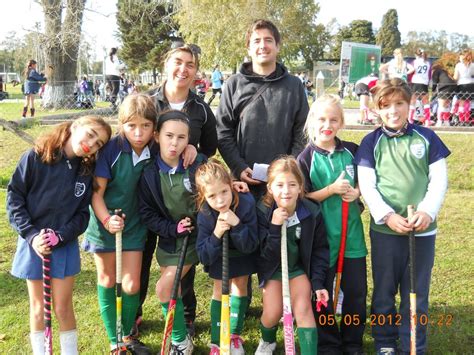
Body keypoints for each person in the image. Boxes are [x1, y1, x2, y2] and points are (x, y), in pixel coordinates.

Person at [354, 78, 450, 355]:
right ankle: (385, 341)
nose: (393, 111)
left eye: (399, 104)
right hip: (386, 232)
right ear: (377, 109)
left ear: (410, 104)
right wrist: (386, 216)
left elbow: (438, 181)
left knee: (416, 291)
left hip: (422, 231)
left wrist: (427, 211)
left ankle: (414, 343)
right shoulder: (371, 142)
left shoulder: (427, 137)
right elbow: (368, 186)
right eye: (386, 106)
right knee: (384, 289)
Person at [7, 116, 112, 355]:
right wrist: (33, 236)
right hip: (33, 243)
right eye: (90, 134)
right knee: (38, 307)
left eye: (98, 144)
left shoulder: (85, 171)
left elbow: (82, 216)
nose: (91, 144)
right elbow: (14, 199)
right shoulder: (36, 156)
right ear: (75, 127)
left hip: (63, 245)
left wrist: (61, 236)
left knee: (62, 307)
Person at [139, 44, 218, 339]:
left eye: (190, 65)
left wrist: (195, 148)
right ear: (166, 64)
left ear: (196, 71)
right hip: (149, 186)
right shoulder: (148, 101)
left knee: (183, 256)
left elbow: (209, 148)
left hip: (182, 191)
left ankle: (185, 318)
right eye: (178, 62)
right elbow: (133, 131)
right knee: (147, 253)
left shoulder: (201, 109)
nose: (183, 69)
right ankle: (135, 315)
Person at [83, 94, 156, 355]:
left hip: (135, 225)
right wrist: (106, 219)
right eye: (131, 126)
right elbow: (96, 194)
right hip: (105, 224)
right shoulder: (111, 150)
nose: (138, 133)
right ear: (121, 124)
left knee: (131, 284)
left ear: (153, 127)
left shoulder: (155, 148)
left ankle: (127, 334)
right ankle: (115, 340)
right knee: (107, 278)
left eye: (145, 126)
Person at [297, 95, 368, 354]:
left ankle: (352, 342)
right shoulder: (304, 158)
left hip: (352, 237)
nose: (327, 124)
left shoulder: (352, 150)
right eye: (322, 119)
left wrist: (357, 192)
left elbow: (368, 181)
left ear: (341, 123)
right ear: (312, 122)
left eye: (334, 119)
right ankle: (329, 342)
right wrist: (331, 189)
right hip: (323, 241)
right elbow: (302, 196)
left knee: (356, 293)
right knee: (322, 294)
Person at [137, 110, 206, 355]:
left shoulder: (196, 165)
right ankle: (181, 333)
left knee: (164, 289)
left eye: (181, 137)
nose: (174, 143)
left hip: (193, 239)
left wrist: (197, 223)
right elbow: (147, 213)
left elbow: (215, 194)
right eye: (169, 136)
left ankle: (180, 342)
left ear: (189, 140)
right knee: (172, 290)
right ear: (156, 136)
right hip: (169, 241)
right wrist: (171, 228)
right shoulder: (148, 173)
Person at [216, 19, 309, 200]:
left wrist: (288, 169)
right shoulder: (233, 84)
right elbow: (223, 131)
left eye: (268, 40)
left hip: (283, 186)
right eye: (256, 41)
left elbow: (302, 132)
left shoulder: (294, 85)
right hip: (243, 183)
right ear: (248, 48)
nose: (263, 46)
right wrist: (238, 166)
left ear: (277, 46)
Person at [255, 156, 329, 354]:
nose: (286, 191)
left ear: (300, 187)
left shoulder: (311, 212)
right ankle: (267, 341)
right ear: (270, 188)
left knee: (303, 308)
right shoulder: (262, 212)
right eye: (279, 185)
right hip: (273, 270)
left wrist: (318, 282)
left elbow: (321, 249)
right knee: (272, 313)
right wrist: (274, 226)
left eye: (292, 184)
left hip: (297, 269)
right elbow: (265, 256)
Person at [195, 160, 259, 354]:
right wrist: (216, 234)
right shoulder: (205, 213)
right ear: (203, 196)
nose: (221, 200)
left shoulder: (246, 202)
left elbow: (251, 245)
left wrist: (237, 224)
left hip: (242, 251)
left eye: (224, 191)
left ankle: (234, 335)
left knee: (240, 284)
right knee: (219, 289)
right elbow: (204, 256)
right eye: (212, 196)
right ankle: (217, 341)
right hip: (217, 253)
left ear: (232, 185)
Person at [431, 59, 458, 127]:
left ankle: (439, 121)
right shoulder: (445, 71)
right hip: (453, 87)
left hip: (445, 87)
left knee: (441, 105)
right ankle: (446, 121)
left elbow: (434, 82)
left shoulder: (436, 71)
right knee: (447, 105)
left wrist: (432, 90)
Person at [409, 49, 432, 126]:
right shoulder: (428, 63)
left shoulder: (414, 62)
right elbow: (429, 74)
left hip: (415, 82)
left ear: (416, 55)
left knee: (413, 101)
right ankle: (428, 120)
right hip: (424, 83)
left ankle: (410, 119)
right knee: (426, 102)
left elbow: (411, 72)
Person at [453, 49, 474, 126]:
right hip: (471, 85)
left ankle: (461, 121)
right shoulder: (472, 64)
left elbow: (455, 77)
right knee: (468, 104)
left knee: (461, 104)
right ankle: (467, 120)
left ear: (462, 56)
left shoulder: (458, 65)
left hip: (462, 85)